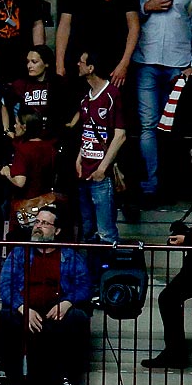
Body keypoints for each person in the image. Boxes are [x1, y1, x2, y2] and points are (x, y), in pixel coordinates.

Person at [0, 205, 92, 385]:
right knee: (4, 318)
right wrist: (22, 307)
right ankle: (13, 383)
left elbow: (85, 286)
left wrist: (67, 303)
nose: (38, 227)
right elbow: (6, 285)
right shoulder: (19, 252)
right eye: (37, 222)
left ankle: (67, 382)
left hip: (56, 310)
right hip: (25, 308)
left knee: (77, 318)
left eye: (45, 223)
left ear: (57, 231)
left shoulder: (70, 255)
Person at [131, 0, 192, 202]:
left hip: (180, 63)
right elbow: (126, 14)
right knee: (148, 126)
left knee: (174, 128)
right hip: (146, 60)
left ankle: (172, 184)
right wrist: (146, 6)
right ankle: (151, 185)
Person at [72, 47, 130, 244]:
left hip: (100, 174)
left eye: (81, 61)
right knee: (88, 231)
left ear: (91, 67)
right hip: (84, 172)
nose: (77, 64)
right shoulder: (86, 97)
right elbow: (87, 130)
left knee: (106, 232)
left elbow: (120, 135)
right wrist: (79, 158)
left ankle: (109, 272)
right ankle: (90, 273)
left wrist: (103, 168)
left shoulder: (112, 94)